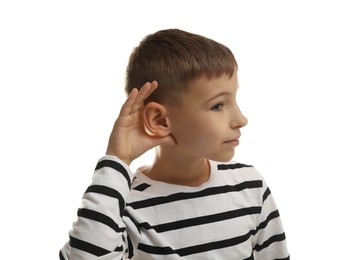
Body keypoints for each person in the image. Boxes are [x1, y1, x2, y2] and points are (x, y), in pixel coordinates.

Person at [59, 29, 289, 259]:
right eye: (218, 105)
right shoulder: (126, 206)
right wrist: (118, 157)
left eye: (234, 100)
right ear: (160, 120)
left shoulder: (250, 186)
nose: (241, 119)